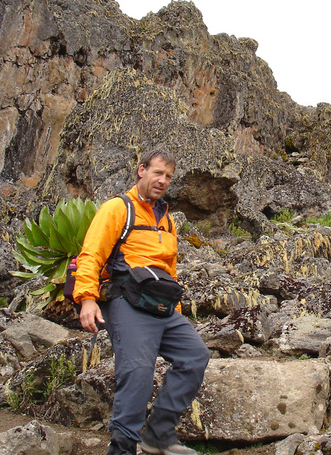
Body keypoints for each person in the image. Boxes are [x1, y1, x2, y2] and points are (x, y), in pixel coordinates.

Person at [74, 149, 210, 455]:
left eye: (168, 177)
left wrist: (174, 311)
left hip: (161, 306)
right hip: (126, 300)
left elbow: (169, 272)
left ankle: (158, 435)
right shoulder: (117, 209)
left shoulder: (168, 221)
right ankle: (122, 449)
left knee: (195, 356)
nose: (162, 181)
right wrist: (87, 299)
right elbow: (91, 255)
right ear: (141, 171)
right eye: (157, 173)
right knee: (137, 371)